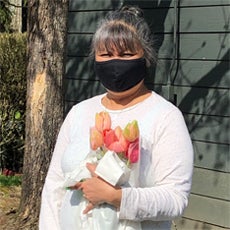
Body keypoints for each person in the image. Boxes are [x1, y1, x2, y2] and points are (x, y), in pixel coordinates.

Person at [39, 5, 193, 230]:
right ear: (95, 59)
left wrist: (117, 197)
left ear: (146, 57)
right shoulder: (79, 113)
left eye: (126, 54)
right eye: (106, 54)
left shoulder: (165, 117)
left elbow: (175, 198)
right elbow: (54, 188)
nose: (115, 62)